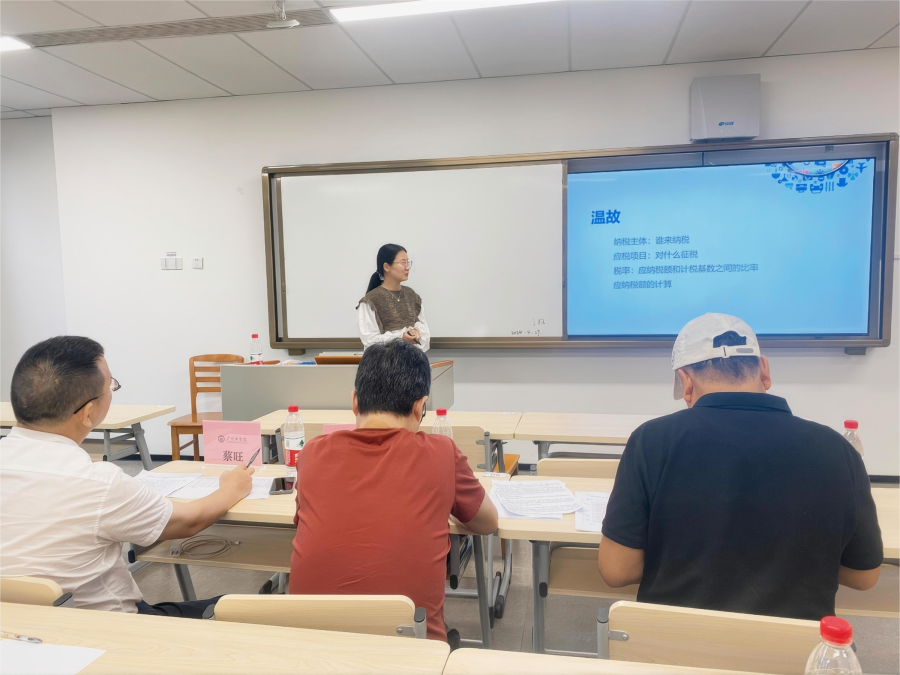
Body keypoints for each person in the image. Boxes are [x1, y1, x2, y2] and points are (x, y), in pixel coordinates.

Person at [597, 313, 883, 621]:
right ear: (764, 370)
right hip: (794, 649)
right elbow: (863, 576)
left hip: (674, 643)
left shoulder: (651, 440)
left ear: (686, 381)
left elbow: (617, 571)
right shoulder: (837, 448)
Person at [0, 336, 254, 617]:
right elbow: (189, 520)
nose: (112, 390)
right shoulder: (98, 483)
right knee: (242, 610)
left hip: (15, 630)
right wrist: (232, 488)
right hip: (107, 630)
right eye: (111, 386)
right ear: (88, 413)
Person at [289, 340, 497, 641]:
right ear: (420, 406)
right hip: (412, 652)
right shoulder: (441, 452)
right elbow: (487, 522)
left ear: (355, 401)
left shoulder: (312, 453)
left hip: (310, 649)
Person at [357, 243, 431, 352]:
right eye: (403, 263)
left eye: (408, 262)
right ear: (386, 267)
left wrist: (417, 333)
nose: (408, 267)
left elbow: (425, 337)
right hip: (384, 362)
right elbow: (369, 341)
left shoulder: (412, 296)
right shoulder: (371, 300)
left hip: (414, 360)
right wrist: (401, 338)